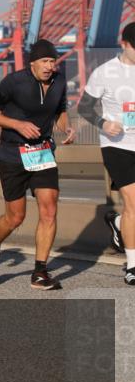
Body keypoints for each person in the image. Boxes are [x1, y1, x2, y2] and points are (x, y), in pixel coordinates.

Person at [0, 40, 76, 290]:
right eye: (44, 62)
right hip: (13, 154)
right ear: (32, 63)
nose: (49, 66)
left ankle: (40, 272)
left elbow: (60, 110)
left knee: (49, 210)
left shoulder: (60, 82)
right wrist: (17, 124)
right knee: (15, 217)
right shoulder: (14, 82)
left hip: (43, 153)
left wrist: (66, 127)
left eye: (52, 62)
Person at [79, 21, 135, 285]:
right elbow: (85, 108)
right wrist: (104, 124)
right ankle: (133, 266)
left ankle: (119, 223)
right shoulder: (104, 72)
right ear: (123, 44)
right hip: (117, 146)